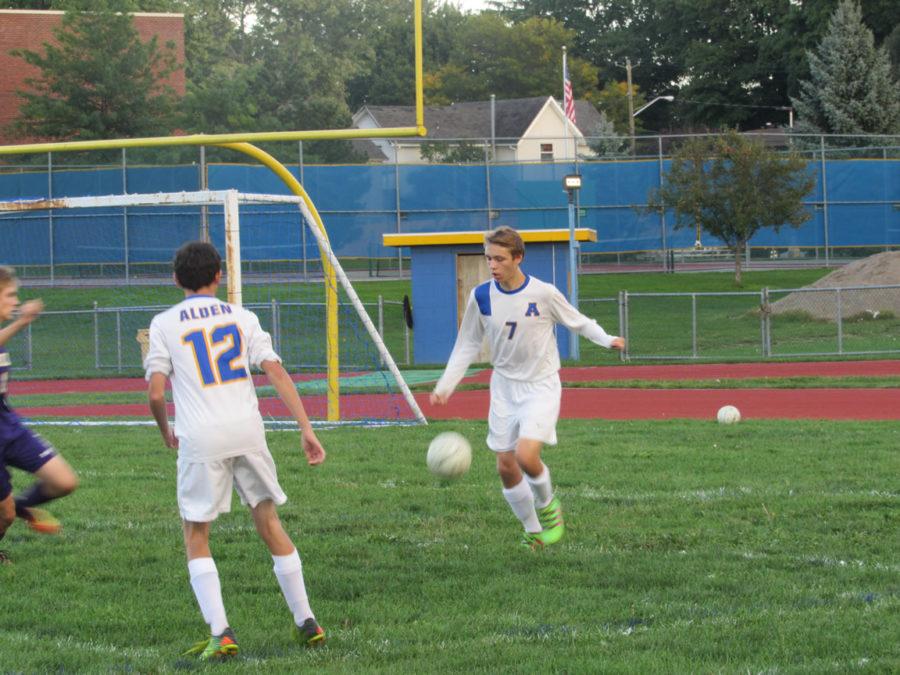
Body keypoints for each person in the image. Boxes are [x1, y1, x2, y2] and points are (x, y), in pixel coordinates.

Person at [144, 241, 327, 660]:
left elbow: (156, 393)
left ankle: (221, 632)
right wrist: (306, 428)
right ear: (219, 275)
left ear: (176, 279)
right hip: (248, 430)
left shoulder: (164, 323)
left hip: (201, 436)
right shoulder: (242, 316)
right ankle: (307, 621)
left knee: (196, 531)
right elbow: (274, 370)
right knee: (267, 519)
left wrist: (164, 429)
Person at [430, 227, 624, 550]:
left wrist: (607, 339)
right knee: (505, 466)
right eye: (489, 258)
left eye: (500, 259)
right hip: (504, 387)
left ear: (518, 258)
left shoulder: (543, 293)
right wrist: (445, 385)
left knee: (525, 454)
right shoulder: (481, 296)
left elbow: (579, 322)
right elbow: (467, 344)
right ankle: (533, 531)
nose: (492, 265)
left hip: (541, 385)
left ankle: (549, 507)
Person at [0, 266, 78, 564]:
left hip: (9, 425)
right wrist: (23, 321)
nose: (16, 300)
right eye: (9, 295)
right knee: (3, 516)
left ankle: (19, 507)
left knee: (63, 481)